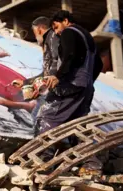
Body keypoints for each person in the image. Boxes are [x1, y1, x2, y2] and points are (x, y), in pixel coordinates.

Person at [38, 10, 103, 174]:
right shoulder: (87, 36)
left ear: (65, 21)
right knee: (78, 127)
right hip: (86, 88)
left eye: (56, 26)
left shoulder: (69, 32)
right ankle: (92, 165)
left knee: (50, 117)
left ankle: (43, 162)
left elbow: (70, 55)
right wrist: (87, 81)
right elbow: (99, 64)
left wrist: (59, 76)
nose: (57, 31)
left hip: (71, 85)